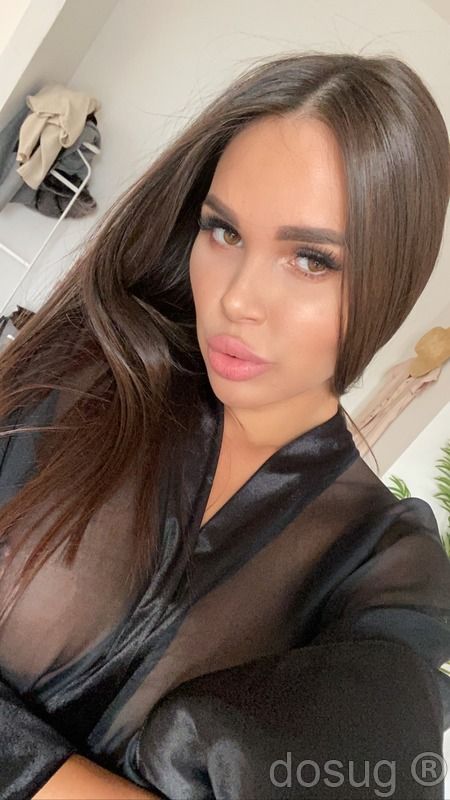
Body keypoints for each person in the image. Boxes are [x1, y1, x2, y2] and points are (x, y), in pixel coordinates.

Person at [0, 50, 449, 800]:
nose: (237, 298)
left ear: (390, 280)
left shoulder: (383, 564)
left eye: (311, 260)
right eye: (225, 232)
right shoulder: (84, 372)